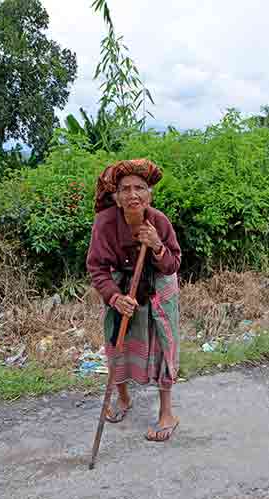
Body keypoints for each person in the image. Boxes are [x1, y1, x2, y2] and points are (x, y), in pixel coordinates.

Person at [87, 159, 181, 442]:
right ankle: (124, 399)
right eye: (125, 189)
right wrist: (114, 297)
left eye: (139, 188)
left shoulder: (159, 221)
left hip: (158, 286)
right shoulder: (104, 223)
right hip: (122, 288)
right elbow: (97, 268)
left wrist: (156, 245)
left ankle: (167, 413)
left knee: (164, 344)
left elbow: (173, 263)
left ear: (149, 194)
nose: (133, 195)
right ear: (115, 196)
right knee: (117, 340)